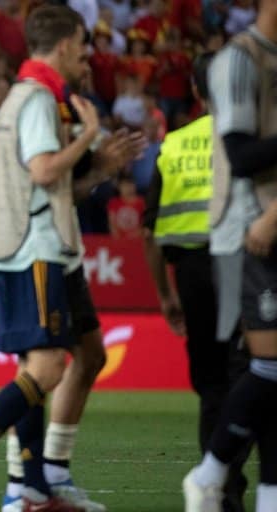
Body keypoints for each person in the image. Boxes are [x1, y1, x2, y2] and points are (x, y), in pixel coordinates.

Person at [0, 5, 122, 511]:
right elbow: (41, 172)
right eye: (82, 43)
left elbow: (25, 181)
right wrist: (88, 134)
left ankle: (34, 484)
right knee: (46, 367)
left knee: (67, 360)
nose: (86, 52)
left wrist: (98, 166)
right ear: (63, 45)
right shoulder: (38, 98)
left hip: (44, 241)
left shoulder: (24, 96)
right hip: (35, 246)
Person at [143, 53, 250, 512]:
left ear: (195, 91)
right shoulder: (252, 139)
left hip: (192, 275)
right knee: (251, 376)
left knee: (211, 386)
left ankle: (218, 488)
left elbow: (150, 231)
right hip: (247, 269)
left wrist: (166, 295)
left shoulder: (174, 145)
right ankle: (251, 488)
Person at [183, 5, 277, 511]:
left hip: (261, 228)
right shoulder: (240, 61)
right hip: (250, 235)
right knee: (263, 369)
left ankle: (264, 495)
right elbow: (241, 157)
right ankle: (213, 471)